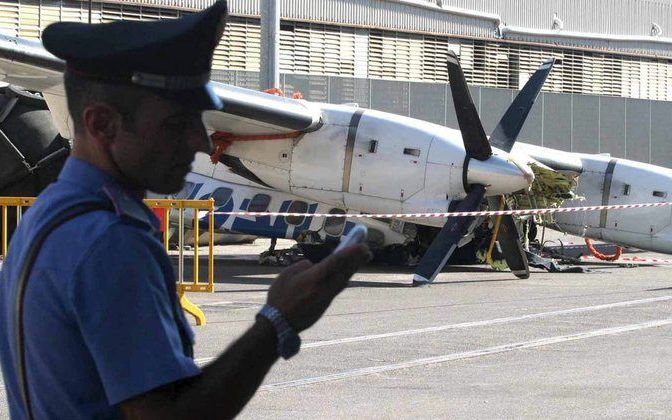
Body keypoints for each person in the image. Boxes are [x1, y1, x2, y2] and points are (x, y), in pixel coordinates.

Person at [0, 1, 371, 418]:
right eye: (177, 124)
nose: (201, 142)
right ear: (103, 124)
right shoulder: (111, 242)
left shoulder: (47, 216)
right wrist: (279, 321)